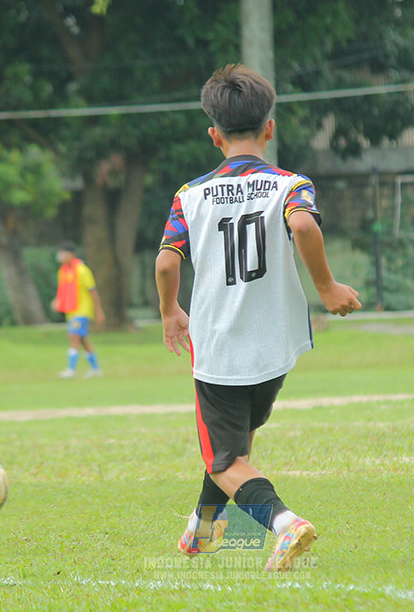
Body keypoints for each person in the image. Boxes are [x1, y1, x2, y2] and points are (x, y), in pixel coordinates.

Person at [155, 64, 361, 572]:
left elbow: (165, 261)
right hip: (276, 345)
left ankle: (284, 523)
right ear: (269, 128)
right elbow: (304, 228)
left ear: (213, 135)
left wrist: (169, 312)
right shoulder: (290, 184)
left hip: (220, 345)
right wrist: (326, 288)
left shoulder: (190, 194)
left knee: (222, 459)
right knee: (237, 443)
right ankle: (201, 530)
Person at [52, 242, 106, 379]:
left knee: (73, 336)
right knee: (83, 340)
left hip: (82, 310)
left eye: (64, 253)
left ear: (72, 255)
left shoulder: (82, 270)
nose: (61, 256)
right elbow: (63, 291)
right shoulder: (62, 271)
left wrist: (98, 311)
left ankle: (71, 369)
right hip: (71, 311)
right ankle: (96, 369)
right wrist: (57, 301)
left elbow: (93, 292)